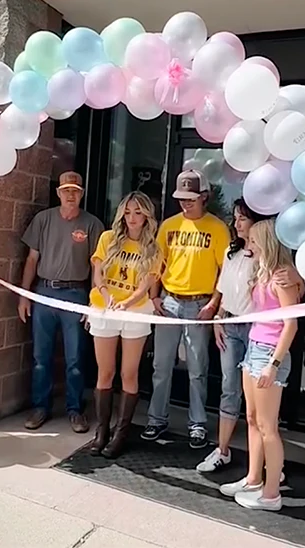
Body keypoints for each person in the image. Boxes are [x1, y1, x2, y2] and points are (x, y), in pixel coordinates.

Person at [142, 170, 233, 448]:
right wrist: (155, 298)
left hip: (199, 303)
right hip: (170, 301)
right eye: (181, 198)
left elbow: (225, 272)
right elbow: (157, 265)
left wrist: (213, 303)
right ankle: (156, 419)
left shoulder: (217, 228)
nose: (185, 203)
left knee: (197, 368)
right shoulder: (169, 226)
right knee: (161, 366)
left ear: (204, 196)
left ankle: (197, 424)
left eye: (190, 198)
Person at [219, 221, 303, 511]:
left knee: (268, 427)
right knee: (252, 419)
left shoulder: (282, 278)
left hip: (269, 353)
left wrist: (274, 365)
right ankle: (253, 479)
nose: (249, 245)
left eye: (254, 240)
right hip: (254, 347)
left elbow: (290, 325)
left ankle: (271, 494)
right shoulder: (263, 272)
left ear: (266, 241)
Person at [18, 172, 105, 432]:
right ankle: (40, 407)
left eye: (75, 190)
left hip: (75, 294)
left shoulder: (92, 224)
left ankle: (75, 410)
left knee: (75, 357)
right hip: (44, 292)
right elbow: (32, 260)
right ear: (58, 193)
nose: (70, 195)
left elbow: (97, 268)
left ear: (82, 193)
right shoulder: (43, 220)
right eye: (66, 190)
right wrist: (25, 295)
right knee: (40, 356)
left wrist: (93, 303)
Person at [85, 191, 163, 458]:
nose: (132, 218)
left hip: (135, 312)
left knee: (128, 374)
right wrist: (107, 298)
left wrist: (127, 302)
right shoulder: (108, 238)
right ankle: (102, 430)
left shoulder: (153, 247)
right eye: (128, 212)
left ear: (147, 216)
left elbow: (146, 285)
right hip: (104, 309)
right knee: (104, 372)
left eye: (138, 212)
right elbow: (98, 273)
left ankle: (121, 433)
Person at [196, 199, 270, 473]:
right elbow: (224, 290)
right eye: (235, 218)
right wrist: (217, 318)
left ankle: (263, 460)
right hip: (229, 324)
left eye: (243, 218)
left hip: (256, 330)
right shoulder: (231, 251)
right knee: (230, 388)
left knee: (257, 397)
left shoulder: (266, 255)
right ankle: (222, 449)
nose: (237, 224)